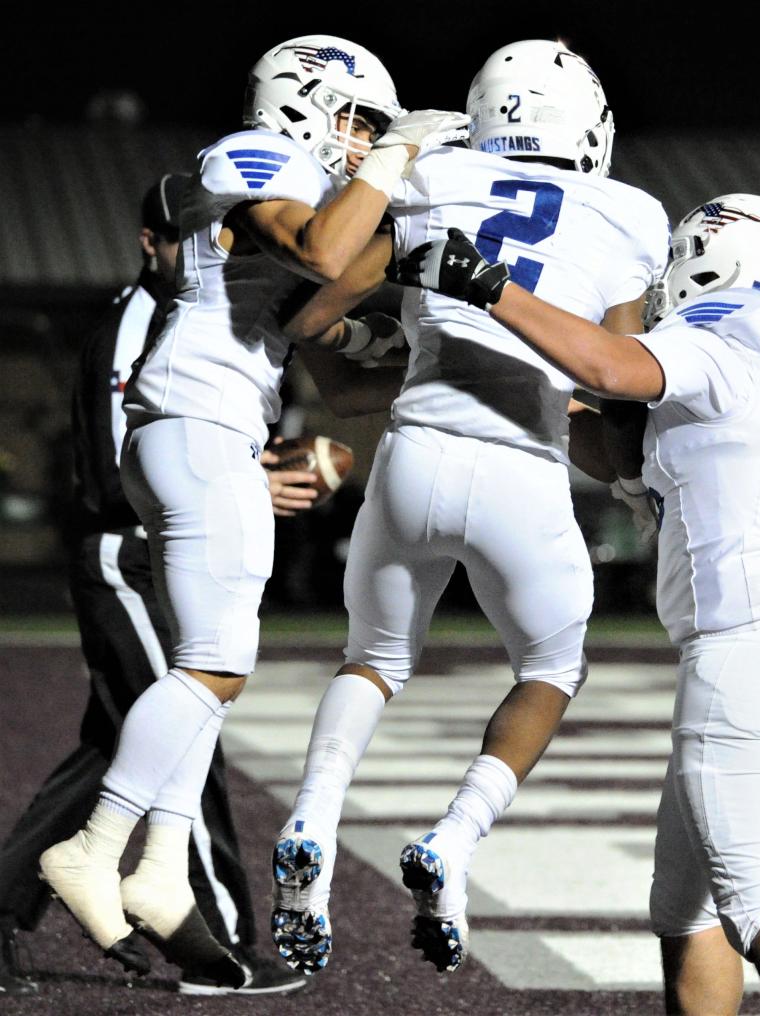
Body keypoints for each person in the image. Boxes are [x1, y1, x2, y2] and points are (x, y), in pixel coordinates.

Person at [36, 34, 468, 985]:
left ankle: (159, 867)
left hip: (208, 427)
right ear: (304, 103)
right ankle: (95, 842)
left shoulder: (297, 195)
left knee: (211, 671)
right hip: (195, 422)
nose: (362, 141)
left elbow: (341, 371)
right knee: (216, 668)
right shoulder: (255, 155)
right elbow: (322, 246)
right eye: (357, 120)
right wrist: (395, 163)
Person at [390, 194, 760, 1014]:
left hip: (746, 651)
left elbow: (610, 367)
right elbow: (615, 441)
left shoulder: (732, 322)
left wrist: (485, 284)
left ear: (721, 258)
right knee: (686, 913)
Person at [269, 38, 669, 977]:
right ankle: (453, 837)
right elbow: (618, 375)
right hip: (523, 470)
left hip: (413, 451)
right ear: (590, 128)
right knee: (552, 667)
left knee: (372, 660)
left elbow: (313, 314)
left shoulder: (436, 174)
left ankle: (311, 820)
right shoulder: (628, 213)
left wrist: (382, 334)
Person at [0, 173, 318, 996]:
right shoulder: (144, 322)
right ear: (155, 242)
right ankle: (217, 938)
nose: (217, 250)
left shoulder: (202, 316)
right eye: (196, 237)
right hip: (127, 550)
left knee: (127, 738)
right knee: (191, 712)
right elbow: (120, 466)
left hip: (157, 542)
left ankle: (14, 894)